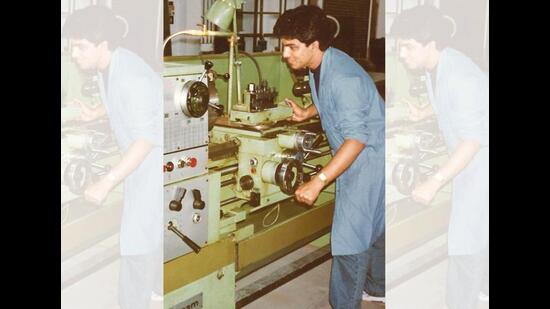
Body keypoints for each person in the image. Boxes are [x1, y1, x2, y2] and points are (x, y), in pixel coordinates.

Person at [273, 5, 385, 308]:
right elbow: (330, 100)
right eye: (284, 46)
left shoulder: (343, 77)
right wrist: (307, 111)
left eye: (292, 47)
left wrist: (318, 181)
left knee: (349, 240)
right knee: (375, 227)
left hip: (367, 160)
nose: (285, 54)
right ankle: (377, 288)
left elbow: (357, 137)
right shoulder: (321, 65)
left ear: (315, 44)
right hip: (363, 154)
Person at [62, 5, 163, 309]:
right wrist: (95, 112)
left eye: (79, 46)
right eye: (71, 46)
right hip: (142, 155)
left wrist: (106, 182)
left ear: (102, 44)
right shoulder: (109, 66)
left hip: (153, 160)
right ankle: (158, 289)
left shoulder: (131, 76)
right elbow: (119, 101)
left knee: (137, 239)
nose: (73, 53)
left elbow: (145, 139)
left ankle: (135, 302)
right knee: (152, 230)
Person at [390, 5, 489, 309]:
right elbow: (447, 102)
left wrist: (434, 181)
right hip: (471, 159)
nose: (401, 54)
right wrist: (423, 111)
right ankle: (481, 290)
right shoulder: (437, 67)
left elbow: (472, 141)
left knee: (465, 244)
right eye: (398, 46)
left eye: (407, 46)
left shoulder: (461, 75)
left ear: (431, 44)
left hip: (479, 163)